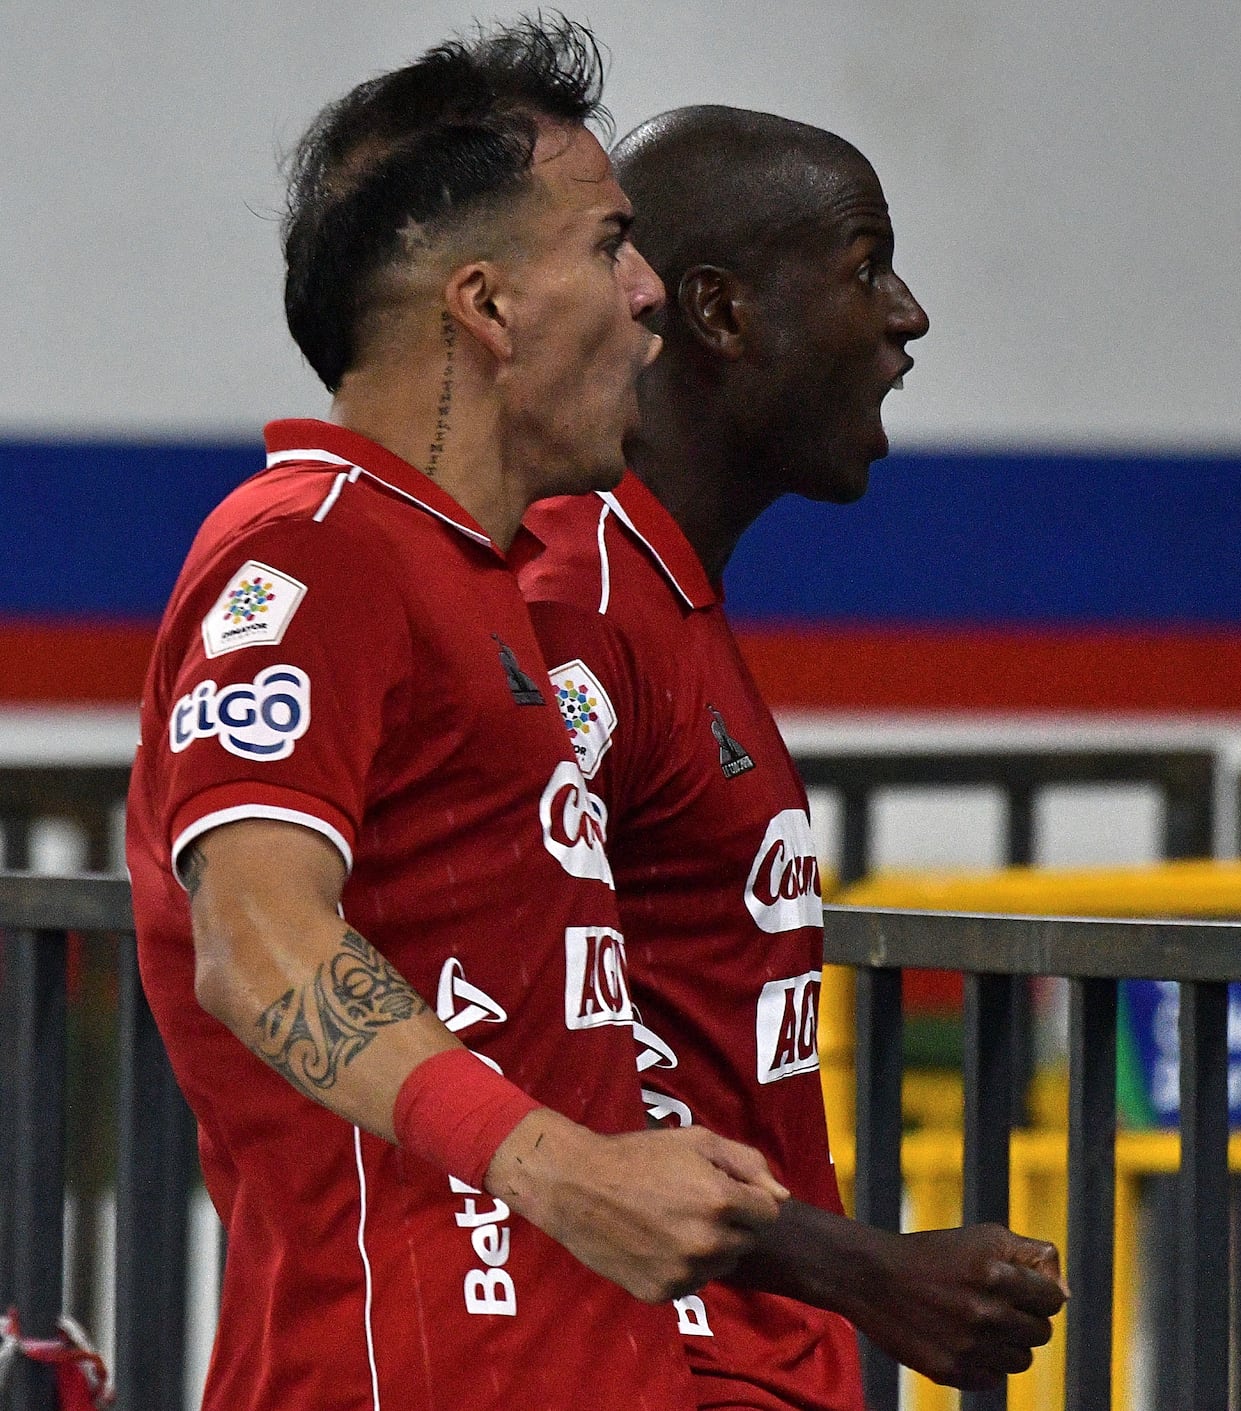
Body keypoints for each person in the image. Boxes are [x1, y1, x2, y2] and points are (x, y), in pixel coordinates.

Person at [125, 37, 790, 1411]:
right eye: (612, 243)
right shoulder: (308, 557)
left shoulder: (479, 577)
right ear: (486, 306)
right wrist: (564, 1167)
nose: (650, 293)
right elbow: (257, 945)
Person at [517, 105, 1069, 1410]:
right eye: (866, 265)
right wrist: (859, 1267)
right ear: (722, 314)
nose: (909, 317)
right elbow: (510, 1027)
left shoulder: (665, 595)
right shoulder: (575, 601)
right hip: (650, 1368)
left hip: (753, 1365)